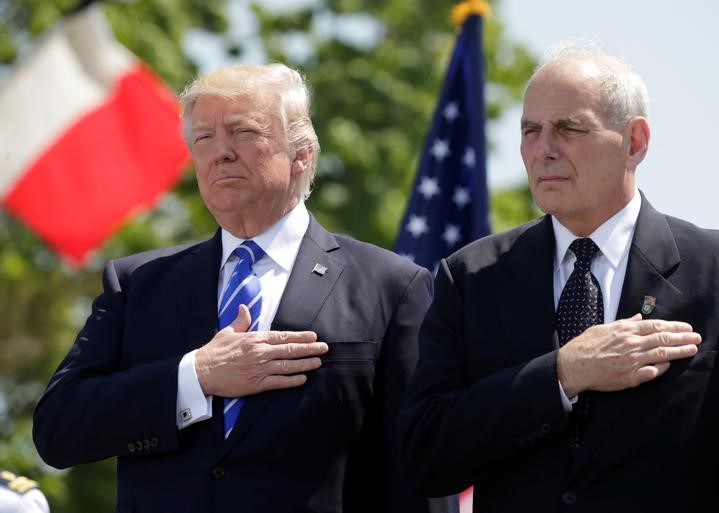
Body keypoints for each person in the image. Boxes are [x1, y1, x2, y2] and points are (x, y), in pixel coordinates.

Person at [399, 41, 719, 512]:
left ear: (635, 141)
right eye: (530, 131)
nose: (542, 150)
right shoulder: (470, 276)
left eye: (568, 128)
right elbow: (424, 455)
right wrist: (562, 374)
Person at [33, 63, 448, 513]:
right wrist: (196, 376)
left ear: (301, 154)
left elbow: (420, 470)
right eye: (204, 138)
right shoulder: (137, 285)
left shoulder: (391, 286)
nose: (221, 153)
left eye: (243, 131)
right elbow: (58, 429)